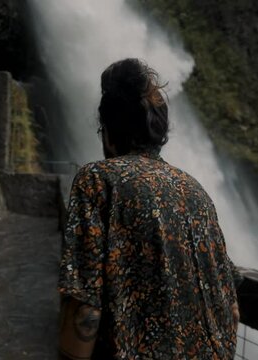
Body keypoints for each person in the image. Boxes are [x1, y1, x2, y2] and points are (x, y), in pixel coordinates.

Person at [58, 58, 240, 359]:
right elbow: (230, 306)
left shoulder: (97, 181)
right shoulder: (197, 192)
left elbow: (85, 307)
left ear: (108, 132)